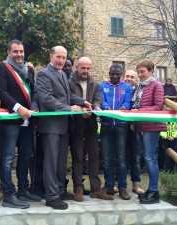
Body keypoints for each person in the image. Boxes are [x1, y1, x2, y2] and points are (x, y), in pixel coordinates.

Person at [36, 46, 92, 210]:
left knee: (60, 162)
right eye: (58, 57)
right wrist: (69, 109)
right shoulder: (44, 74)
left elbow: (68, 96)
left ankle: (60, 190)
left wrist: (82, 102)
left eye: (63, 57)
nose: (61, 60)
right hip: (51, 126)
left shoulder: (62, 74)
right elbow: (46, 99)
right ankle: (51, 196)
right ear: (51, 56)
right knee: (51, 162)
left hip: (63, 126)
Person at [0, 40, 40, 209]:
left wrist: (33, 106)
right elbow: (1, 91)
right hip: (10, 120)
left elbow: (33, 91)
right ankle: (8, 194)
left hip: (27, 119)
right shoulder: (1, 67)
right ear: (8, 52)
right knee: (7, 158)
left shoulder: (28, 69)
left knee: (26, 155)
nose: (19, 55)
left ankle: (23, 189)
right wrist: (18, 107)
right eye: (15, 52)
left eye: (21, 51)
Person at [69, 56, 113, 202]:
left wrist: (96, 106)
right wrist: (81, 109)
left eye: (88, 68)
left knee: (94, 155)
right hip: (76, 124)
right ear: (77, 68)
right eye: (83, 68)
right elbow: (68, 99)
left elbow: (97, 98)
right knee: (78, 156)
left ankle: (95, 189)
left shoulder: (94, 83)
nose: (85, 71)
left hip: (91, 124)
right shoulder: (69, 83)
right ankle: (78, 188)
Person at [132, 60, 166, 204]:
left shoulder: (157, 85)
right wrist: (134, 122)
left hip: (152, 127)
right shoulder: (140, 86)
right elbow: (136, 104)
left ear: (151, 71)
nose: (140, 75)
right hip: (140, 126)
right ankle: (151, 191)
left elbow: (158, 106)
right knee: (146, 158)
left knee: (150, 158)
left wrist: (139, 112)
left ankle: (154, 191)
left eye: (143, 72)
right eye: (139, 72)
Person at [99, 64, 133, 200]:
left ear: (121, 75)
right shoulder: (102, 86)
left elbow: (128, 102)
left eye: (117, 74)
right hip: (106, 125)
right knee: (106, 158)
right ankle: (109, 185)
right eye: (112, 74)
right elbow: (102, 101)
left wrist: (124, 107)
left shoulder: (127, 87)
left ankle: (122, 187)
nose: (114, 76)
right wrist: (106, 107)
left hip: (121, 126)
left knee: (121, 158)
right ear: (109, 73)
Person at [123, 70, 145, 195]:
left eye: (132, 77)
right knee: (120, 157)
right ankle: (120, 184)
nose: (129, 78)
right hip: (121, 127)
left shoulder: (140, 91)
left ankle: (136, 184)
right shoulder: (120, 89)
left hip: (135, 129)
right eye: (127, 76)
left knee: (136, 157)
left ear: (136, 79)